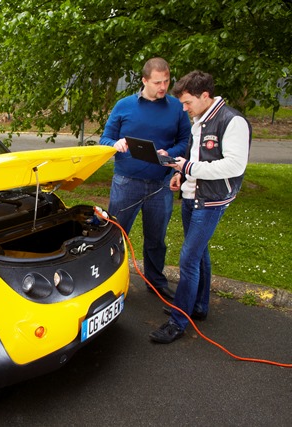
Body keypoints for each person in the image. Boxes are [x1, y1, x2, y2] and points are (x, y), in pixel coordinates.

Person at [150, 70, 251, 343]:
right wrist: (180, 173)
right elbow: (196, 157)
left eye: (187, 102)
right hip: (192, 195)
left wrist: (190, 167)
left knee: (189, 259)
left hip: (212, 201)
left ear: (205, 96)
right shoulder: (199, 119)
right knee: (200, 254)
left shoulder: (233, 121)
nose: (184, 109)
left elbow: (234, 165)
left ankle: (178, 321)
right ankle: (199, 306)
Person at [100, 57, 191, 300]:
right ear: (144, 81)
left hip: (160, 185)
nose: (163, 87)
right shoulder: (124, 105)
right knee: (116, 235)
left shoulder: (176, 107)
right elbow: (105, 139)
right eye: (158, 82)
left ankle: (155, 281)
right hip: (125, 183)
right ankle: (108, 282)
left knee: (156, 239)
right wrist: (115, 143)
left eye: (167, 81)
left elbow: (185, 141)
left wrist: (169, 154)